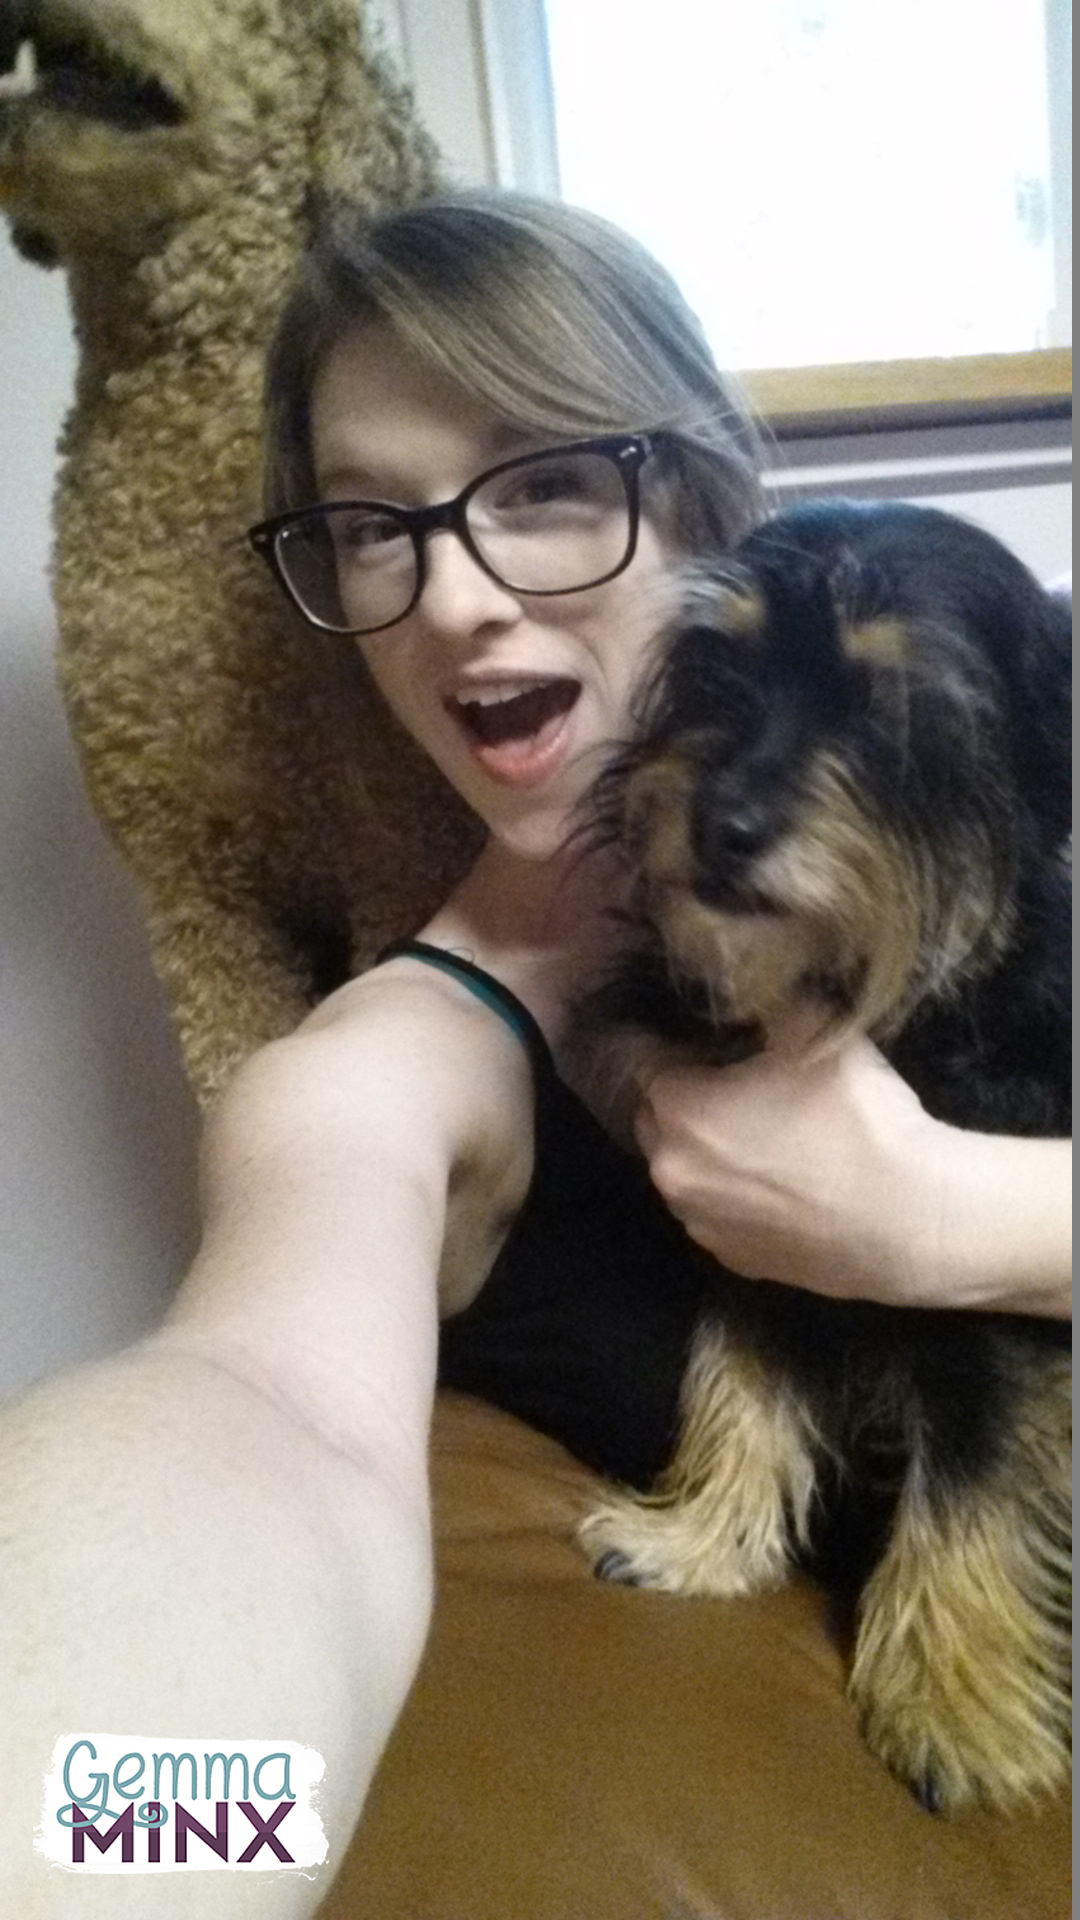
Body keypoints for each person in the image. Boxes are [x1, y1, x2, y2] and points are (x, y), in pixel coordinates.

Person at [1, 192, 1070, 1920]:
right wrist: (97, 1850)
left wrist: (956, 1219)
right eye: (373, 525)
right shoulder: (381, 1073)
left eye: (547, 484)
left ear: (708, 502)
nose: (454, 600)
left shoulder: (1003, 817)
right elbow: (265, 1417)